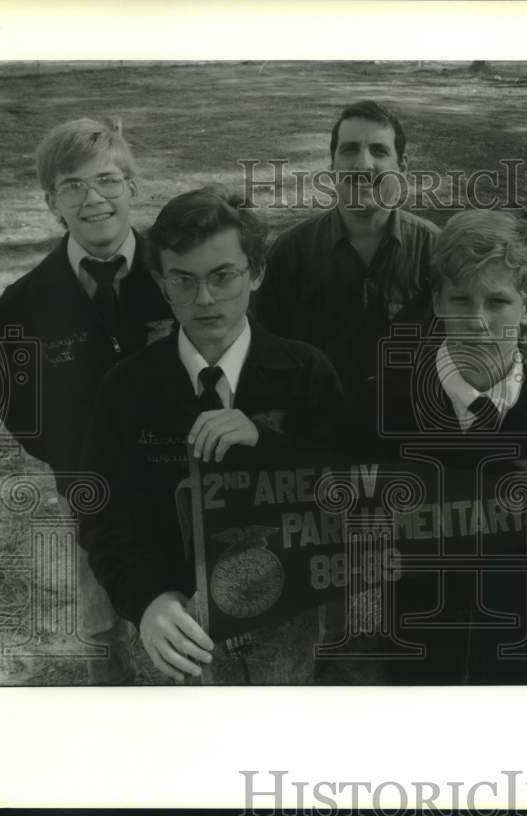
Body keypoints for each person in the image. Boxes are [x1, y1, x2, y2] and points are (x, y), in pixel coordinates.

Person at [78, 187, 342, 684]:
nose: (205, 299)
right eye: (184, 280)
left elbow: (345, 489)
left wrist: (268, 445)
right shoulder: (127, 388)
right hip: (175, 626)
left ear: (256, 273)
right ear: (161, 283)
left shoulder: (306, 372)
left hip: (283, 624)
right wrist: (148, 601)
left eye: (223, 277)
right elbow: (103, 515)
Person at [345, 209, 527, 684]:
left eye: (497, 302)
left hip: (516, 635)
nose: (476, 321)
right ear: (437, 301)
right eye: (460, 299)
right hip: (412, 635)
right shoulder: (382, 401)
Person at [0, 117, 174, 684]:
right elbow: (14, 398)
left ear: (133, 187)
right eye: (72, 186)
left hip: (179, 477)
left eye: (108, 181)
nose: (93, 199)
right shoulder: (26, 301)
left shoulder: (176, 277)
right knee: (101, 623)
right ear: (52, 202)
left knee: (189, 609)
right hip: (92, 488)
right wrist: (73, 459)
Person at [255, 100, 440, 401]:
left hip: (408, 428)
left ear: (402, 166)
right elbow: (265, 349)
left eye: (379, 151)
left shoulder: (436, 251)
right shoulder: (290, 253)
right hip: (315, 427)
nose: (363, 165)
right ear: (332, 166)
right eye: (349, 149)